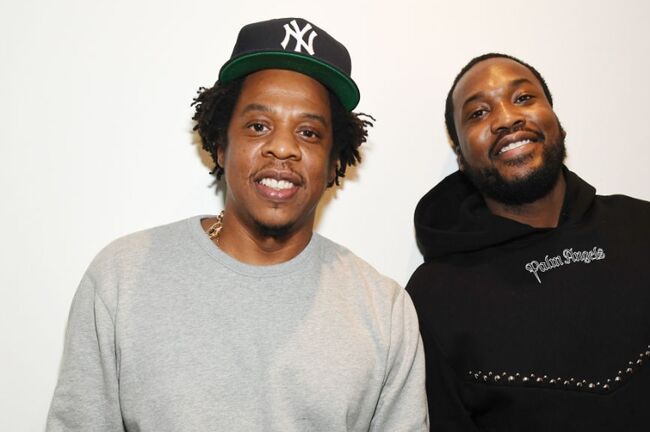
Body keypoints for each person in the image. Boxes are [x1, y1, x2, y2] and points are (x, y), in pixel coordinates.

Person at [47, 18, 427, 431]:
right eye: (258, 126)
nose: (282, 147)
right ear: (220, 145)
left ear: (334, 161)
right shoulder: (121, 277)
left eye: (308, 132)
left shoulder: (384, 311)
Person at [405, 53, 650, 431]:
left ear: (556, 121)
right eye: (478, 113)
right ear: (460, 155)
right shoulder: (433, 297)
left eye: (523, 98)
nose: (506, 118)